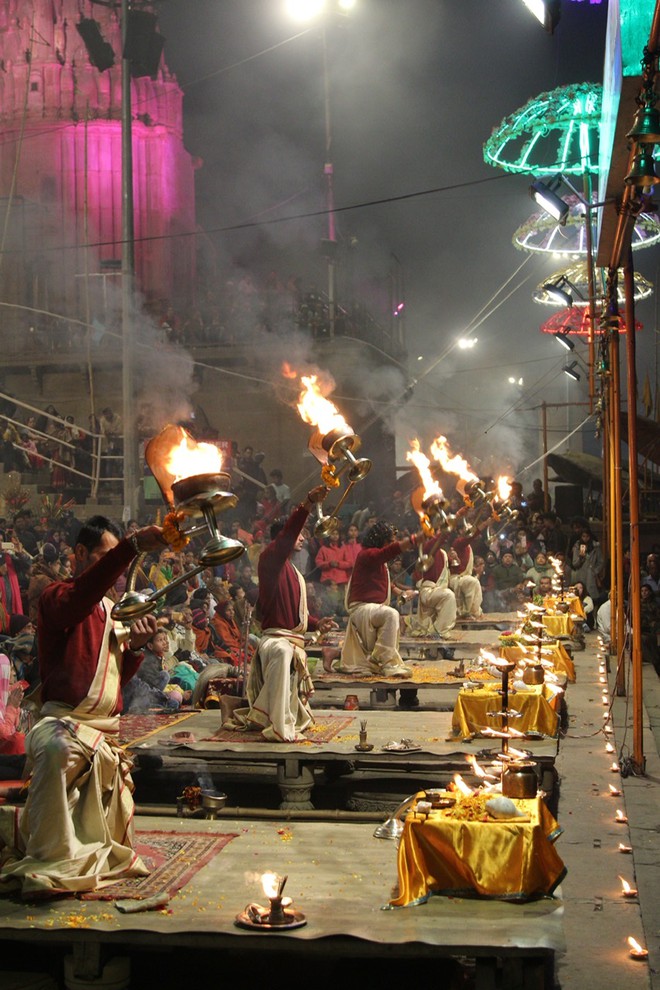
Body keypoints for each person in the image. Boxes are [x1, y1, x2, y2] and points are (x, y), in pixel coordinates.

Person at [0, 515, 167, 897]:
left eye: (116, 559)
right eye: (107, 557)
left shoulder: (112, 610)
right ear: (79, 554)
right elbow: (84, 594)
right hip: (62, 723)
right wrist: (132, 545)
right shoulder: (58, 597)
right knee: (57, 748)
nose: (117, 569)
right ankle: (50, 856)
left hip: (100, 731)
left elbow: (107, 687)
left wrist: (137, 650)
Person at [224, 487, 336, 741]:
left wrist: (318, 623)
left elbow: (293, 613)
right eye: (299, 535)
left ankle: (279, 718)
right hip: (275, 641)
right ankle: (279, 727)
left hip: (291, 638)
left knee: (289, 651)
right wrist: (306, 501)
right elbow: (287, 536)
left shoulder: (293, 572)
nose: (303, 539)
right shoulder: (270, 559)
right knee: (284, 650)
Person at [340, 521, 419, 675]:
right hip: (362, 609)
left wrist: (400, 593)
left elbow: (383, 583)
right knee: (391, 614)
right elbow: (384, 554)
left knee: (392, 616)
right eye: (389, 541)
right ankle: (387, 662)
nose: (392, 544)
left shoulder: (377, 562)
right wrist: (413, 540)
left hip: (371, 610)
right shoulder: (367, 554)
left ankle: (376, 658)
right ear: (380, 540)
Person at [406, 533, 457, 639]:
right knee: (449, 596)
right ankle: (438, 631)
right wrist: (443, 530)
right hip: (428, 591)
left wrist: (455, 557)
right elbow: (439, 539)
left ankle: (438, 630)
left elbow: (454, 566)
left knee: (449, 595)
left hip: (438, 591)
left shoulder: (443, 553)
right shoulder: (428, 549)